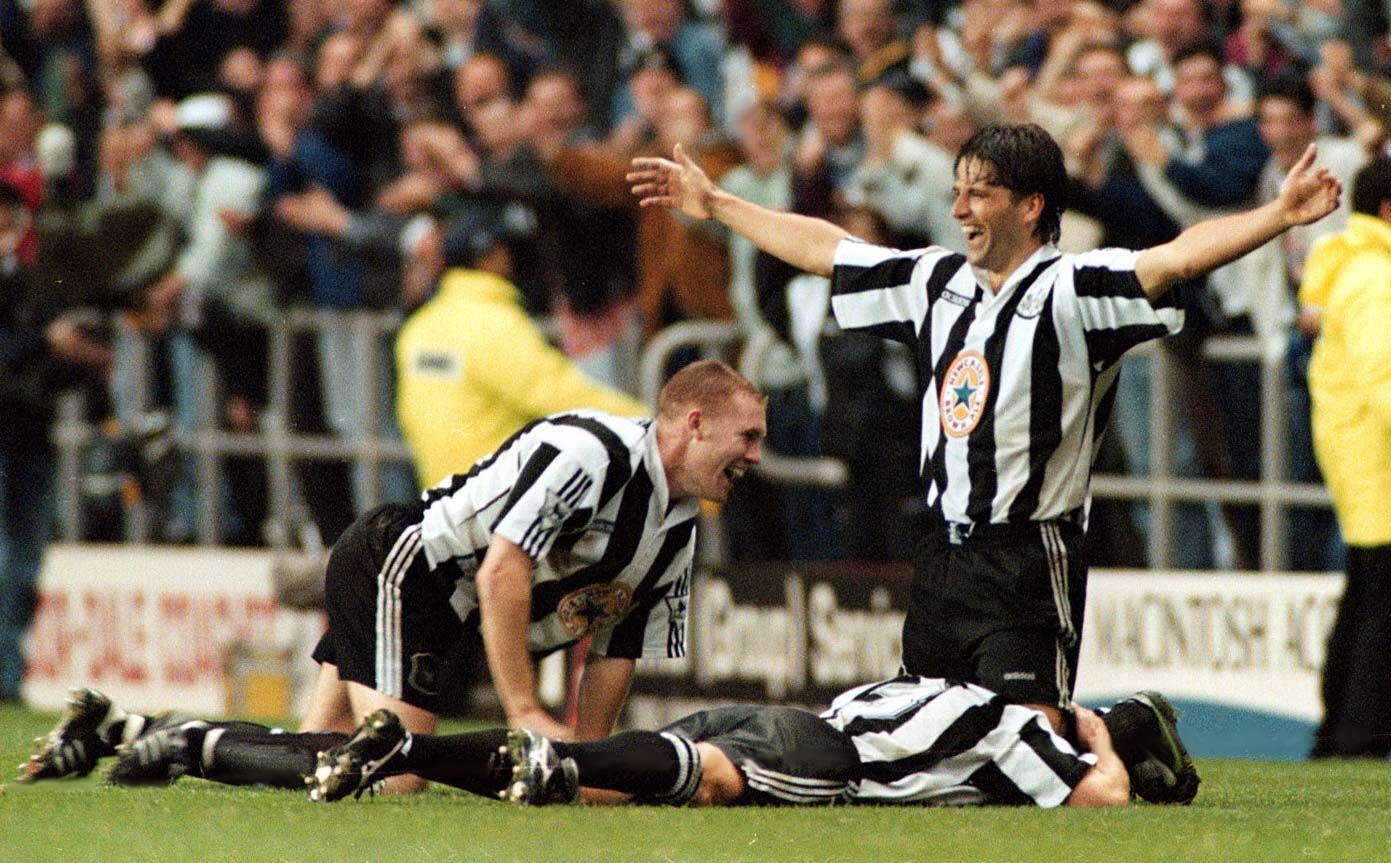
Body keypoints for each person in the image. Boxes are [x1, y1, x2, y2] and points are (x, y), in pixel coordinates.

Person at [626, 122, 1340, 739]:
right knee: (927, 733)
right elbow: (828, 250)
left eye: (979, 192)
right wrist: (717, 204)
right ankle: (1108, 735)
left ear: (1031, 206)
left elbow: (1178, 256)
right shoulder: (934, 282)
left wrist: (1277, 214)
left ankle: (1118, 737)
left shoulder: (1075, 290)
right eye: (957, 189)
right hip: (943, 552)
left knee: (1022, 737)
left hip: (1030, 551)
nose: (958, 208)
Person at [20, 359, 768, 791]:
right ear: (694, 423)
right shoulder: (591, 452)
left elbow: (616, 647)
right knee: (395, 769)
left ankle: (121, 730)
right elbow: (503, 569)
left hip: (444, 611)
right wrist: (523, 713)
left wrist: (587, 761)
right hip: (404, 565)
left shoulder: (676, 523)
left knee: (320, 749)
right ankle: (169, 738)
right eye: (748, 435)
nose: (757, 456)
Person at [301, 676, 1199, 808]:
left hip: (795, 717)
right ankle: (543, 756)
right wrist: (1098, 743)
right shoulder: (1019, 726)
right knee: (700, 781)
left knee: (594, 787)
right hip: (824, 759)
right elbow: (1100, 801)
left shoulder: (948, 687)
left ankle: (409, 752)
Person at [1300, 157, 1391, 759]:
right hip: (1377, 455)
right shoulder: (1378, 278)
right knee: (1381, 599)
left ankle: (1340, 729)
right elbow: (1384, 372)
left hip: (1360, 451)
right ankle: (1359, 732)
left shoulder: (1354, 268)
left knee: (1369, 592)